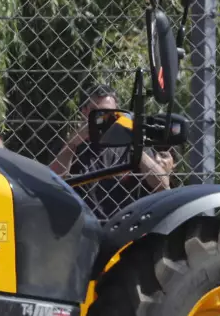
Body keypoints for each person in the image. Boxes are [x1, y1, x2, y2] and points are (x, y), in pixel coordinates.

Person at [50, 84, 175, 219]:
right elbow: (51, 182)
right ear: (84, 112)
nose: (102, 118)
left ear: (117, 114)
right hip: (81, 226)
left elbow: (163, 185)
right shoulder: (72, 145)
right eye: (96, 112)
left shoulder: (129, 144)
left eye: (108, 113)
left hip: (122, 225)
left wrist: (133, 142)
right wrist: (74, 142)